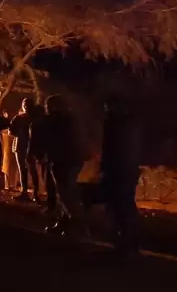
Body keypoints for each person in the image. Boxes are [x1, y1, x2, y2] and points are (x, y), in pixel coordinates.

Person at [97, 95, 141, 255]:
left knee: (121, 205)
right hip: (124, 170)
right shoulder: (128, 124)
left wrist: (105, 167)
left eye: (107, 106)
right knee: (124, 204)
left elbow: (111, 149)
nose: (105, 109)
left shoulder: (117, 124)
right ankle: (126, 238)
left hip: (119, 170)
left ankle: (125, 239)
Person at [40, 95, 87, 238]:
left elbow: (51, 140)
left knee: (66, 194)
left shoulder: (56, 120)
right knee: (66, 192)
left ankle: (78, 226)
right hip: (72, 160)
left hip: (62, 160)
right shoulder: (71, 119)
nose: (46, 108)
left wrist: (45, 154)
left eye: (48, 106)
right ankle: (64, 223)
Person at [9, 98, 39, 202]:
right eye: (24, 104)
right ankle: (24, 192)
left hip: (30, 146)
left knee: (32, 169)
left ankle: (35, 193)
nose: (25, 106)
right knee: (23, 170)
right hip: (20, 146)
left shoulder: (35, 118)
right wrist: (20, 134)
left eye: (28, 104)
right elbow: (10, 130)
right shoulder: (19, 117)